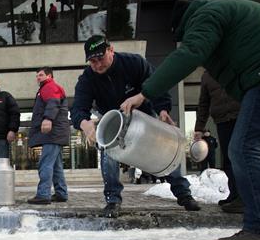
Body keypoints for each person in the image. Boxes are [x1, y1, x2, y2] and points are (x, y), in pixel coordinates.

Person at [120, 0, 260, 240]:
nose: (185, 38)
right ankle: (247, 204)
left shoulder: (205, 16)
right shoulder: (222, 11)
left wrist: (144, 94)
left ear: (183, 25)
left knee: (244, 149)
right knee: (247, 148)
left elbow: (191, 53)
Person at [71, 35, 201, 218]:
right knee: (108, 155)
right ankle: (113, 200)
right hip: (112, 123)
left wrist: (163, 110)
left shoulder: (134, 63)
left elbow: (156, 84)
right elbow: (78, 108)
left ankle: (184, 195)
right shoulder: (87, 79)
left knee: (163, 152)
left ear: (111, 50)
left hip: (144, 117)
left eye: (100, 58)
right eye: (92, 61)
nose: (97, 65)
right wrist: (85, 125)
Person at [194, 70, 241, 209]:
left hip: (241, 116)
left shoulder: (234, 64)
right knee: (228, 160)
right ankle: (235, 195)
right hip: (222, 120)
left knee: (242, 158)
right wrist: (199, 128)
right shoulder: (207, 76)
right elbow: (204, 103)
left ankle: (244, 197)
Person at [27, 67, 70, 205]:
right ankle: (61, 193)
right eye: (37, 76)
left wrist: (48, 119)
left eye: (41, 75)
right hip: (56, 134)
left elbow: (53, 103)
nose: (38, 78)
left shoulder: (49, 87)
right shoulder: (47, 87)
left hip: (53, 134)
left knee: (45, 163)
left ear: (49, 76)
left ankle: (43, 194)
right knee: (56, 165)